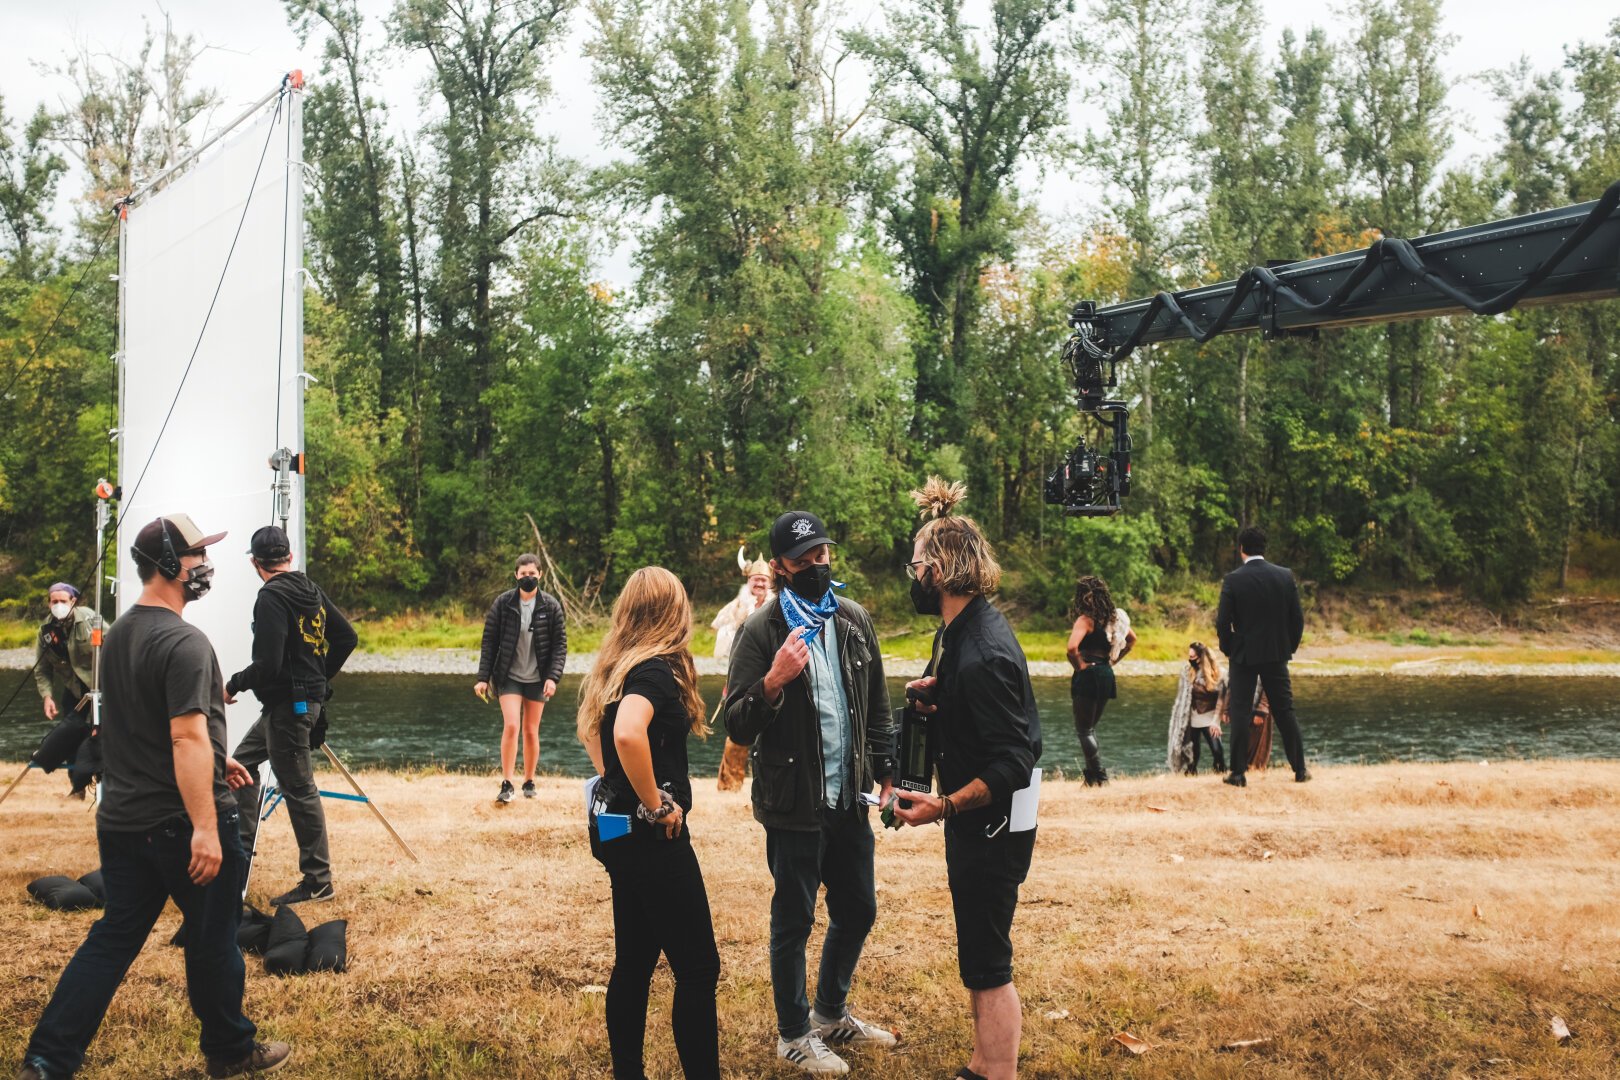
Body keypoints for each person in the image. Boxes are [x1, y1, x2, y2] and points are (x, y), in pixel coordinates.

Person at [17, 514, 290, 1080]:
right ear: (169, 565)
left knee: (113, 939)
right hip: (182, 823)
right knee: (215, 942)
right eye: (197, 558)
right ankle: (231, 1051)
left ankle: (47, 1060)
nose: (204, 568)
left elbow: (137, 724)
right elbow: (184, 734)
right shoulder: (186, 641)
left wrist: (218, 757)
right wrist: (207, 828)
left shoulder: (114, 637)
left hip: (121, 822)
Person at [723, 509, 897, 1076]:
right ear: (779, 568)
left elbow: (876, 703)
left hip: (850, 799)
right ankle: (794, 1035)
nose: (818, 566)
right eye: (804, 561)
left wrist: (888, 769)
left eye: (823, 556)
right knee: (793, 920)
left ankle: (829, 1014)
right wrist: (773, 680)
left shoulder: (852, 619)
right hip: (794, 803)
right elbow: (737, 725)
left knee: (859, 909)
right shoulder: (760, 631)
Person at [890, 478, 1042, 1080]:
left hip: (994, 825)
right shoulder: (955, 633)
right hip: (978, 823)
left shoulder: (984, 653)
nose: (912, 575)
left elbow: (1014, 761)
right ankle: (982, 1065)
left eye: (917, 565)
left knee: (988, 956)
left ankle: (996, 1071)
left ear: (942, 570)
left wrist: (944, 806)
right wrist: (936, 695)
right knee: (977, 948)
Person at [577, 567, 721, 1080]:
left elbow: (590, 731)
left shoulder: (618, 664)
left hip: (612, 828)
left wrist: (616, 784)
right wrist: (655, 803)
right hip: (649, 832)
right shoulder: (655, 671)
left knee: (635, 961)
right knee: (700, 970)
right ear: (670, 612)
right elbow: (627, 734)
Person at [226, 525, 358, 906]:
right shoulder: (309, 589)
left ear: (255, 562)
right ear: (289, 557)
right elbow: (346, 637)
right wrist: (317, 679)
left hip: (290, 707)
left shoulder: (270, 597)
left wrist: (232, 685)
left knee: (299, 791)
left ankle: (318, 881)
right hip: (293, 704)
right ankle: (238, 863)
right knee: (240, 768)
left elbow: (266, 664)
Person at [1215, 525, 1310, 786]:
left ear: (1241, 549)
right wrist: (1288, 647)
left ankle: (1238, 773)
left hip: (1243, 655)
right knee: (1284, 710)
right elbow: (1297, 620)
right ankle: (1300, 770)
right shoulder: (1284, 576)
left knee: (1240, 712)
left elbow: (1222, 622)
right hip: (1276, 653)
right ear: (1264, 548)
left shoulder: (1233, 580)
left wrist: (1229, 647)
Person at [474, 553, 568, 804]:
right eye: (523, 574)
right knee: (512, 725)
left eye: (532, 574)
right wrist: (483, 678)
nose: (528, 578)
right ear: (516, 575)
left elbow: (560, 646)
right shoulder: (503, 603)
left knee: (530, 730)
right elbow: (489, 642)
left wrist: (553, 678)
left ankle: (529, 780)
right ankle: (507, 783)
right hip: (508, 676)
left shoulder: (551, 606)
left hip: (538, 678)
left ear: (540, 575)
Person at [33, 582, 109, 797]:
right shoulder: (45, 632)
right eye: (54, 601)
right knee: (70, 735)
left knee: (104, 734)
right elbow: (42, 669)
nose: (58, 605)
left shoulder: (90, 619)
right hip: (74, 690)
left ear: (73, 601)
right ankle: (77, 787)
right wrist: (47, 696)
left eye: (62, 601)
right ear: (49, 603)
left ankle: (108, 783)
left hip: (100, 686)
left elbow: (114, 645)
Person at [713, 547, 773, 791]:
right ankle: (729, 784)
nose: (759, 583)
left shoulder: (778, 607)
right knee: (739, 731)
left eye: (763, 580)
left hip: (772, 677)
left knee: (771, 733)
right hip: (743, 677)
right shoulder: (736, 606)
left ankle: (766, 784)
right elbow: (723, 637)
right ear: (748, 581)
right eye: (755, 579)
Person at [1065, 575, 1133, 786]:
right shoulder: (1114, 619)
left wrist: (1080, 666)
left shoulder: (1085, 620)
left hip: (1089, 675)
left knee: (1084, 730)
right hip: (1105, 673)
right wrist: (1113, 661)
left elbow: (1071, 648)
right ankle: (1091, 778)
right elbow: (1131, 640)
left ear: (1082, 596)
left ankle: (1100, 777)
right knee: (1089, 729)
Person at [1167, 642, 1226, 775]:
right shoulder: (1188, 672)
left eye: (1193, 656)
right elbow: (1182, 697)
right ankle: (1191, 772)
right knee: (1192, 751)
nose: (1190, 659)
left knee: (1217, 750)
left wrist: (1217, 720)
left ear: (1200, 657)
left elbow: (1223, 697)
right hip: (1192, 717)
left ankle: (1220, 770)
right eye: (1189, 656)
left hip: (1210, 716)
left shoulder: (1218, 673)